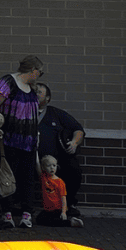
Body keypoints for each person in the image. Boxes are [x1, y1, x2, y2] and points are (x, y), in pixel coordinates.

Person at [0, 55, 47, 229]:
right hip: (8, 141)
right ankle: (6, 214)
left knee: (27, 178)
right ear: (32, 70)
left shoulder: (31, 89)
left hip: (28, 143)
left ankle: (26, 213)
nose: (39, 76)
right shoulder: (8, 82)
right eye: (40, 72)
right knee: (7, 177)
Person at [35, 82, 86, 227]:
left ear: (48, 98)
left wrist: (74, 143)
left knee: (73, 168)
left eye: (39, 92)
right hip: (33, 158)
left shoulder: (56, 114)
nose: (35, 94)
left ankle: (69, 205)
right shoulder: (24, 113)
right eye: (34, 91)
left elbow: (78, 129)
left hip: (56, 160)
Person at [39, 156, 71, 226]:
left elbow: (63, 199)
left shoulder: (60, 182)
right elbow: (37, 166)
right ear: (43, 168)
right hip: (47, 210)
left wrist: (63, 212)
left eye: (54, 165)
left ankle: (70, 222)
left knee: (52, 220)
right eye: (48, 166)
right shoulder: (43, 177)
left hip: (57, 209)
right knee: (39, 219)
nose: (52, 168)